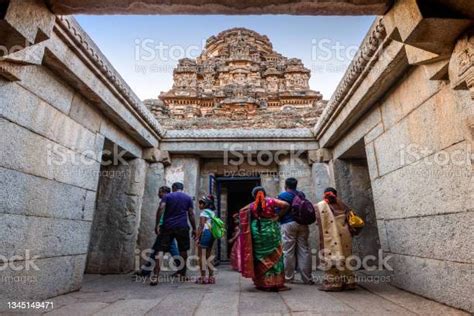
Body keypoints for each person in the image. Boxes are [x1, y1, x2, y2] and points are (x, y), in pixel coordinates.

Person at [239, 186, 290, 291]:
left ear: (253, 195)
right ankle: (276, 283)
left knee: (260, 258)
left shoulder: (252, 206)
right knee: (276, 256)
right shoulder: (271, 201)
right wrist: (277, 216)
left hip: (257, 231)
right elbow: (286, 205)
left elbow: (241, 211)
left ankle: (263, 283)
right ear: (265, 193)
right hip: (270, 229)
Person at [151, 182, 196, 285]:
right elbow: (191, 214)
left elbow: (161, 208)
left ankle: (155, 276)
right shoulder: (188, 198)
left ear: (174, 188)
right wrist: (194, 228)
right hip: (182, 227)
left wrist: (157, 224)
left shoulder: (167, 196)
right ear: (182, 188)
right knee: (183, 250)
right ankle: (183, 275)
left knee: (160, 250)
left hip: (167, 226)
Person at [314, 187, 356, 291]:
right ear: (336, 195)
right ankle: (349, 282)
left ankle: (334, 284)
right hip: (345, 233)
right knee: (346, 256)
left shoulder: (322, 205)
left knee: (332, 256)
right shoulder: (343, 204)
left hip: (332, 235)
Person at [277, 178, 313, 285]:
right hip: (303, 224)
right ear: (296, 185)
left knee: (288, 251)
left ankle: (289, 277)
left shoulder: (283, 196)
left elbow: (278, 210)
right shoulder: (301, 194)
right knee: (304, 251)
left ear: (285, 185)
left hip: (288, 224)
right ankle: (307, 278)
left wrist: (277, 217)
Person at [137, 186, 179, 277]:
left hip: (165, 228)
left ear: (164, 192)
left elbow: (161, 212)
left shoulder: (166, 200)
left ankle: (181, 270)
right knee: (156, 250)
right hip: (169, 228)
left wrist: (158, 225)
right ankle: (145, 271)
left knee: (166, 249)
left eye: (159, 192)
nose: (158, 194)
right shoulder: (172, 200)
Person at [195, 195, 217, 284]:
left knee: (201, 256)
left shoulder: (203, 213)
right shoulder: (212, 212)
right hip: (212, 234)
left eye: (201, 203)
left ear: (205, 204)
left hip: (205, 233)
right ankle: (211, 277)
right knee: (208, 255)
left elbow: (201, 226)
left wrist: (197, 237)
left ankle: (203, 277)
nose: (199, 205)